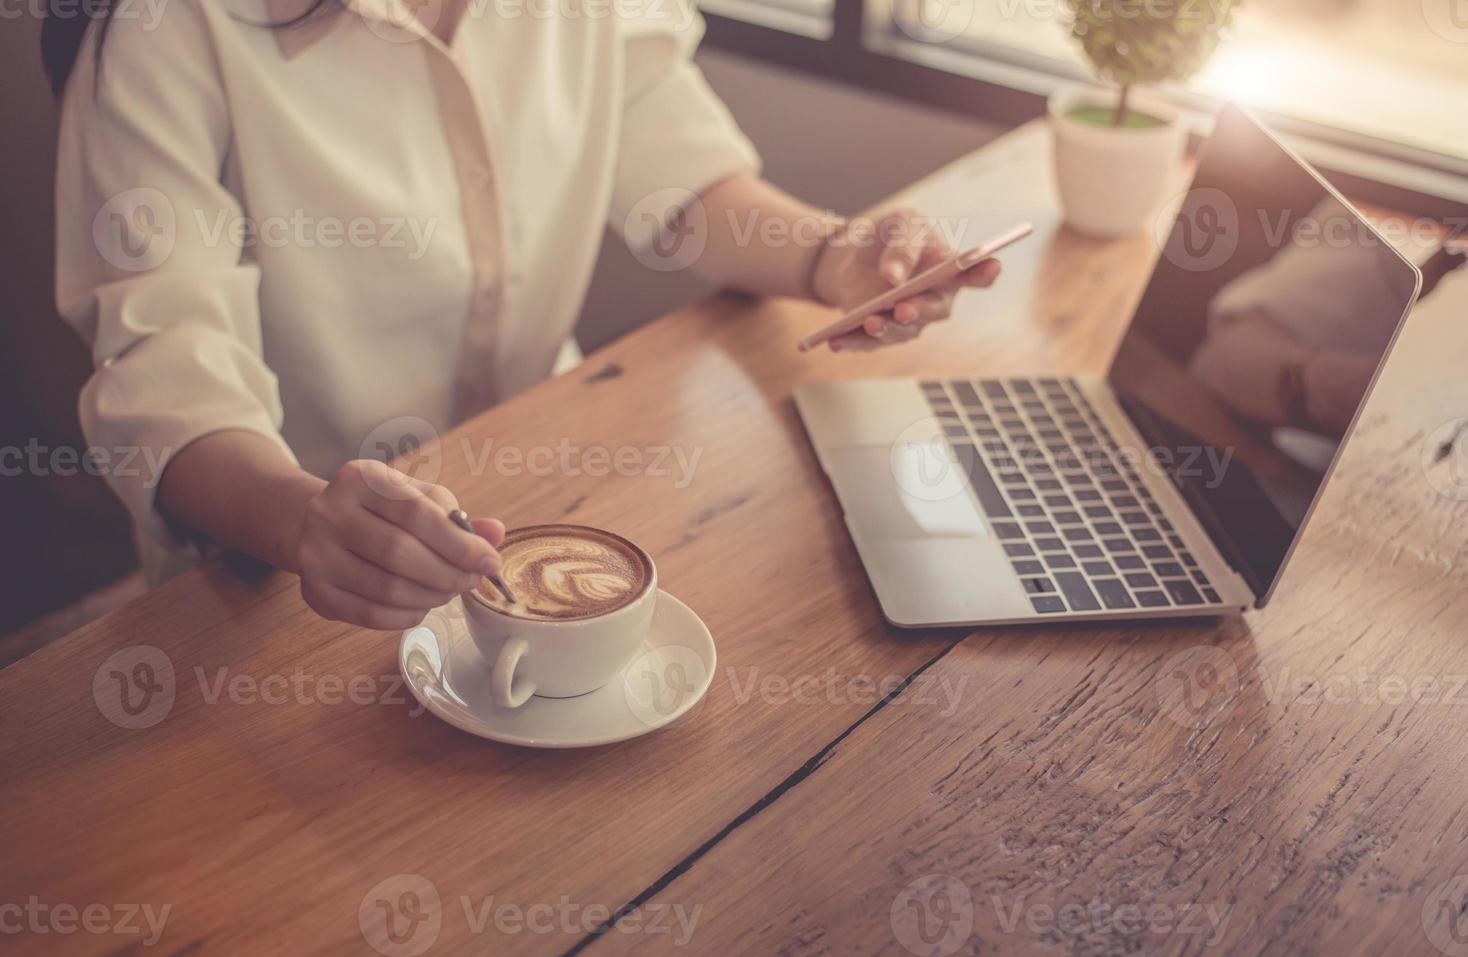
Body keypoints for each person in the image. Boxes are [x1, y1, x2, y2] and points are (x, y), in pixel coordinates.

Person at [44, 0, 1002, 629]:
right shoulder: (163, 33)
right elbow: (166, 373)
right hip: (283, 576)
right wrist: (306, 526)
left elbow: (683, 182)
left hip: (548, 498)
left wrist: (838, 256)